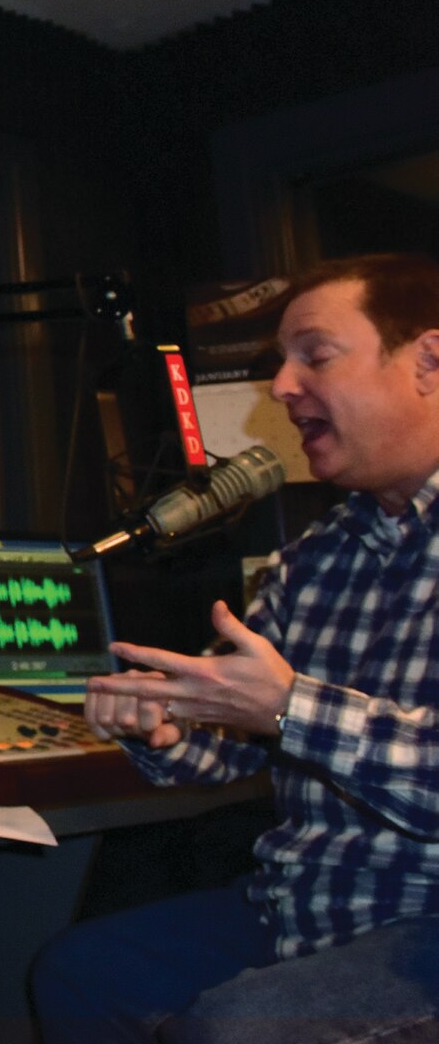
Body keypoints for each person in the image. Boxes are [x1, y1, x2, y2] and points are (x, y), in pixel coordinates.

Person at [31, 252, 439, 1043]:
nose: (281, 387)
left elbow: (288, 716)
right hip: (303, 909)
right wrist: (167, 728)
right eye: (279, 363)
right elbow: (240, 747)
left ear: (427, 360)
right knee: (79, 972)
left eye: (314, 356)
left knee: (237, 1028)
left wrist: (291, 707)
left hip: (423, 919)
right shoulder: (312, 561)